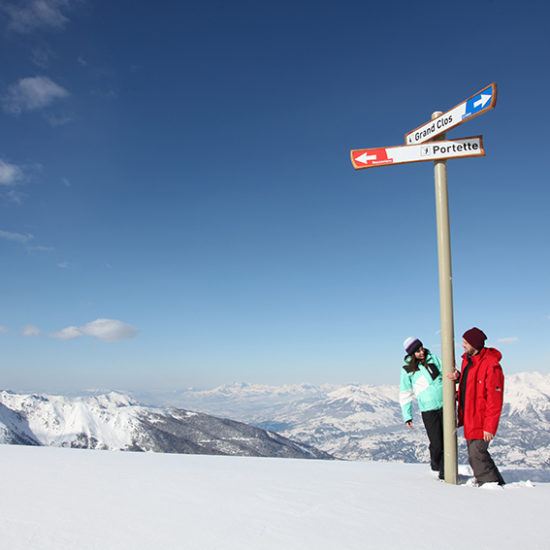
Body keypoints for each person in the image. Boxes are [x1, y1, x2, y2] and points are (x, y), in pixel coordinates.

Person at [448, 327, 505, 486]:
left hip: (481, 420)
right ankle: (496, 483)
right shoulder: (468, 360)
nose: (463, 345)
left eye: (466, 342)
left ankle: (489, 485)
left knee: (477, 454)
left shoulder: (491, 366)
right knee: (477, 454)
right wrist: (459, 377)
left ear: (475, 344)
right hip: (470, 417)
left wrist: (489, 427)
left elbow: (495, 399)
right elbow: (470, 384)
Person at [400, 337, 444, 479]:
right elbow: (405, 393)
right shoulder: (407, 369)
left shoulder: (434, 359)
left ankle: (445, 472)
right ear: (412, 354)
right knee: (436, 442)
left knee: (447, 440)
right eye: (417, 351)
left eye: (421, 348)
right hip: (429, 410)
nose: (422, 352)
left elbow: (447, 373)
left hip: (446, 406)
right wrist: (407, 416)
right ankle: (436, 465)